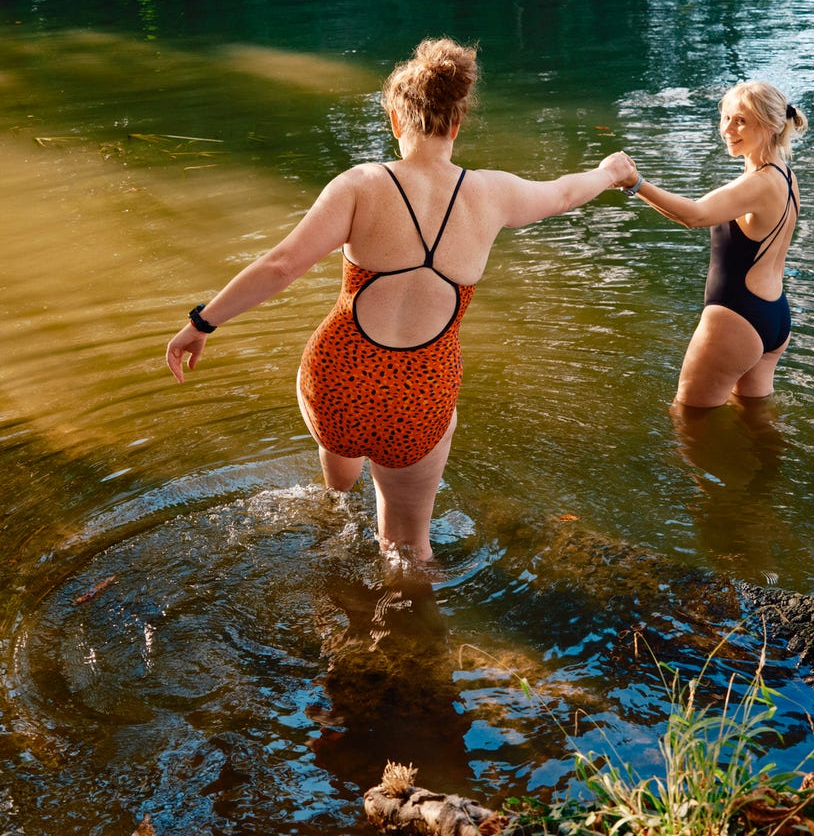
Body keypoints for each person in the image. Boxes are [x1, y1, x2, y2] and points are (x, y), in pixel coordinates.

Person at [166, 37, 634, 563]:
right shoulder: (494, 193)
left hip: (337, 378)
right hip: (420, 394)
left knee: (339, 485)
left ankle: (335, 517)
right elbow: (567, 193)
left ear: (394, 118)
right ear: (457, 123)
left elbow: (282, 265)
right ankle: (406, 634)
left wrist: (201, 323)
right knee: (408, 548)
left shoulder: (362, 183)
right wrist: (612, 172)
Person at [618, 80, 807, 409]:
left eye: (741, 121)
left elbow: (693, 215)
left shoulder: (759, 184)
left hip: (735, 319)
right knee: (755, 418)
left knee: (688, 420)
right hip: (774, 317)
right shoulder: (786, 176)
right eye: (727, 118)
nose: (728, 129)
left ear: (770, 125)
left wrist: (636, 184)